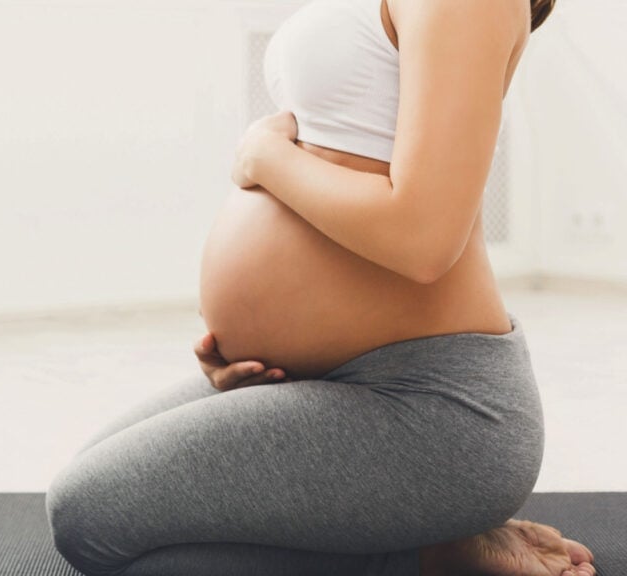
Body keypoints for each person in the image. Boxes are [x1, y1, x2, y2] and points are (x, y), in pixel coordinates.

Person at [45, 0, 597, 574]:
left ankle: (420, 553)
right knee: (94, 482)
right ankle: (425, 533)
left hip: (430, 405)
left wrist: (264, 155)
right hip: (326, 378)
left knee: (90, 519)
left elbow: (424, 239)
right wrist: (258, 342)